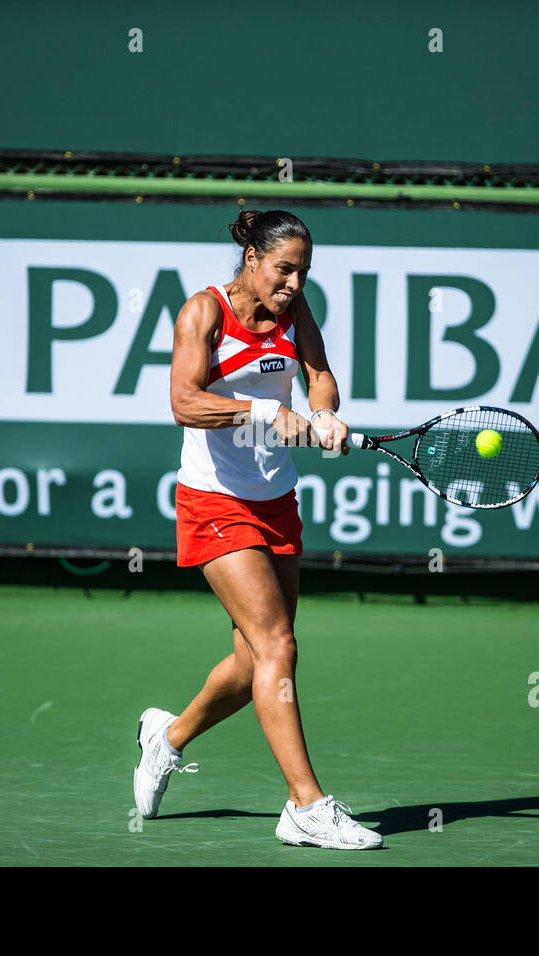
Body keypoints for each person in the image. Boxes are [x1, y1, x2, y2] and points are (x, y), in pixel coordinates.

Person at [132, 208, 383, 849]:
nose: (295, 282)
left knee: (255, 661)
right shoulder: (203, 313)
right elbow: (184, 402)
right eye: (284, 268)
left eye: (303, 271)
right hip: (214, 502)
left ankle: (168, 737)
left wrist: (324, 415)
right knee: (279, 646)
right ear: (252, 259)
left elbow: (319, 375)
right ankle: (306, 805)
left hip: (276, 499)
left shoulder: (295, 315)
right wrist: (267, 410)